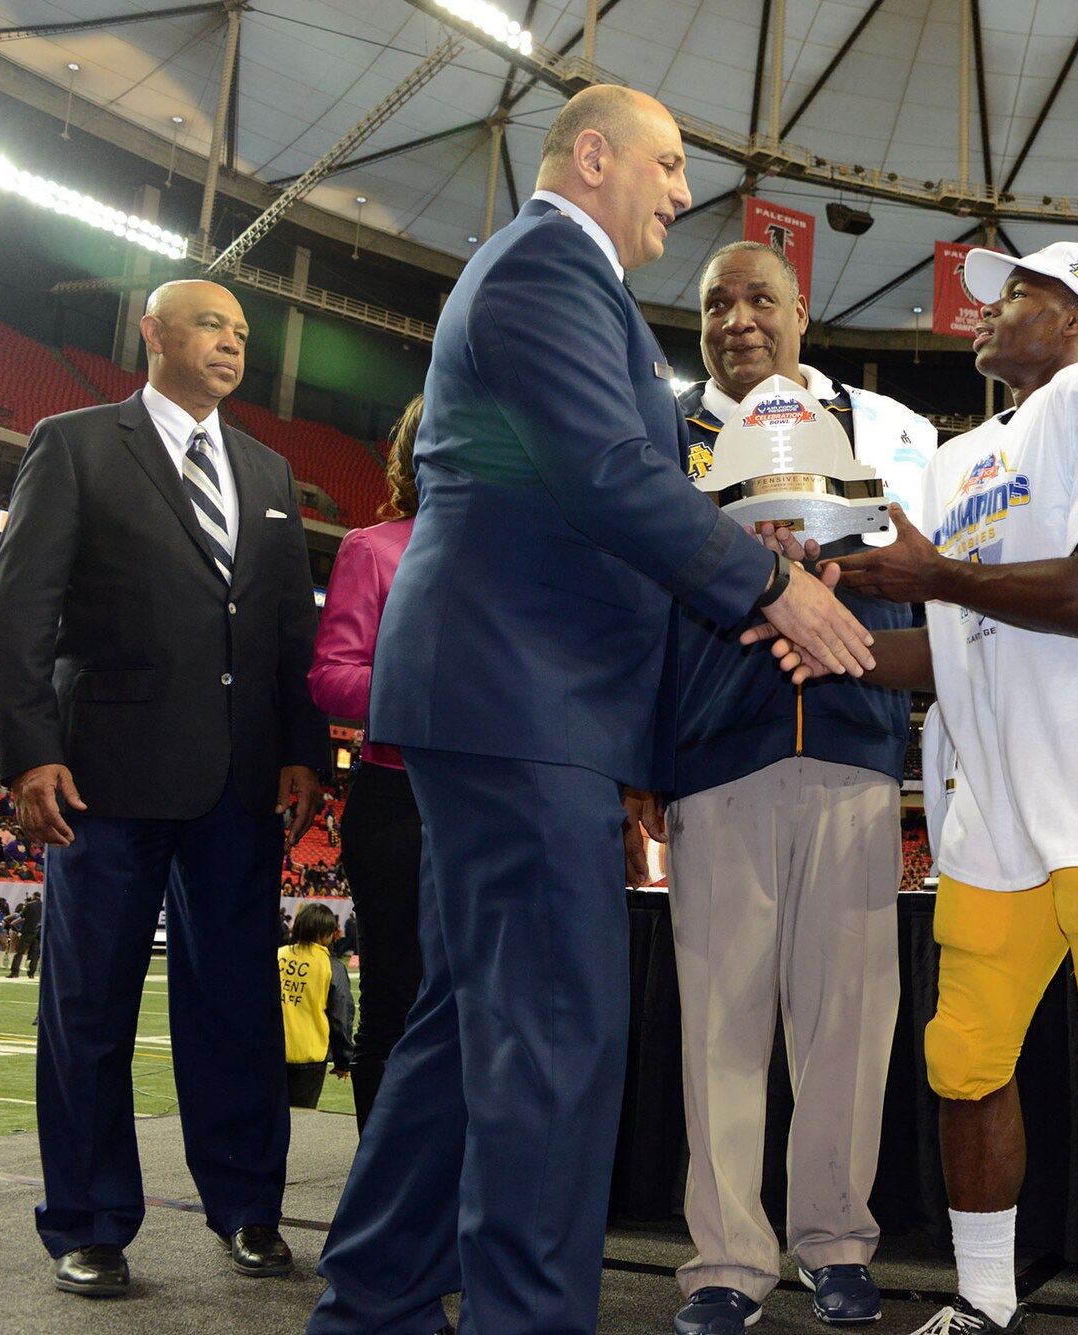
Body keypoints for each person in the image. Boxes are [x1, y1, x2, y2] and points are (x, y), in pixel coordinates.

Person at [306, 86, 875, 1335]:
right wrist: (774, 585)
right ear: (597, 155)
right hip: (524, 695)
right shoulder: (545, 269)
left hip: (516, 700)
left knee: (467, 1038)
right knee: (552, 1046)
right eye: (670, 165)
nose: (682, 192)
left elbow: (614, 494)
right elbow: (613, 479)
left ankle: (372, 1307)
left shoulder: (558, 282)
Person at [762, 241, 1078, 1335]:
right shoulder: (966, 459)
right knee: (961, 1061)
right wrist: (837, 636)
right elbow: (958, 639)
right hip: (992, 803)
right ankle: (981, 1300)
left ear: (1076, 319)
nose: (981, 314)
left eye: (1012, 295)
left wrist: (928, 577)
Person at [0, 277, 327, 1298]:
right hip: (103, 778)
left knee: (236, 1009)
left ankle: (248, 1207)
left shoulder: (270, 470)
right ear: (154, 333)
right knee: (89, 1008)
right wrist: (28, 749)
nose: (231, 344)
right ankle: (87, 1221)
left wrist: (303, 748)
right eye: (211, 324)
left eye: (241, 333)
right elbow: (20, 607)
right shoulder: (77, 441)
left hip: (240, 786)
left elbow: (285, 633)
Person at [639, 240, 933, 1334]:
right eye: (716, 302)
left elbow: (923, 570)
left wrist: (839, 573)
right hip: (716, 752)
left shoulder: (884, 430)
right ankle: (724, 1260)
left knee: (848, 1021)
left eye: (759, 297)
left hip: (853, 743)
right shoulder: (663, 432)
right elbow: (637, 599)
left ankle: (835, 1242)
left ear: (801, 311)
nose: (736, 319)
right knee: (718, 1019)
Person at [308, 395, 423, 1130]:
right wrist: (434, 692)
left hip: (497, 803)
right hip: (400, 800)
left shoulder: (520, 551)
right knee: (394, 1003)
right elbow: (332, 676)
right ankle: (388, 1208)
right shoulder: (373, 547)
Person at [278, 903, 352, 1109]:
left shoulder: (276, 956)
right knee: (300, 1123)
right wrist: (343, 1061)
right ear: (326, 933)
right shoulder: (331, 966)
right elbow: (341, 1017)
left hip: (269, 1053)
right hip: (308, 1055)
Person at [9, 890, 41, 979]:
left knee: (19, 951)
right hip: (38, 931)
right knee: (35, 953)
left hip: (28, 930)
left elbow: (23, 915)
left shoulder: (30, 905)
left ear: (34, 896)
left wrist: (27, 904)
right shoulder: (43, 905)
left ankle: (15, 972)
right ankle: (32, 973)